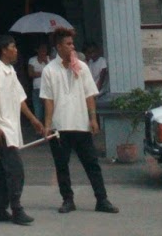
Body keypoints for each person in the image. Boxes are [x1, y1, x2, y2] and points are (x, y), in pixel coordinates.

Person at [42, 30, 118, 214]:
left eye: (72, 43)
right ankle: (68, 200)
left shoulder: (82, 67)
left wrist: (93, 118)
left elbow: (89, 95)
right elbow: (48, 100)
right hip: (60, 126)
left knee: (92, 164)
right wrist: (47, 125)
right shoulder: (49, 70)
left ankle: (102, 199)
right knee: (62, 165)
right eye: (68, 44)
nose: (72, 47)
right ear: (59, 47)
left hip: (81, 124)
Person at [0, 33, 46, 225]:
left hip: (12, 126)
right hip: (2, 128)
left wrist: (34, 120)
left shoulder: (11, 71)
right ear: (4, 50)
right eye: (13, 47)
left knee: (4, 170)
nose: (16, 50)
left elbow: (21, 100)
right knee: (15, 169)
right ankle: (16, 208)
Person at [27, 40, 51, 121]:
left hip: (48, 88)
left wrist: (46, 62)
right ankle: (40, 130)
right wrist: (44, 73)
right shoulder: (32, 60)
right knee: (38, 112)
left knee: (48, 110)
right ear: (37, 50)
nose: (43, 51)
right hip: (37, 89)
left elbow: (52, 73)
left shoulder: (49, 59)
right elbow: (30, 74)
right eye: (41, 49)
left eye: (45, 49)